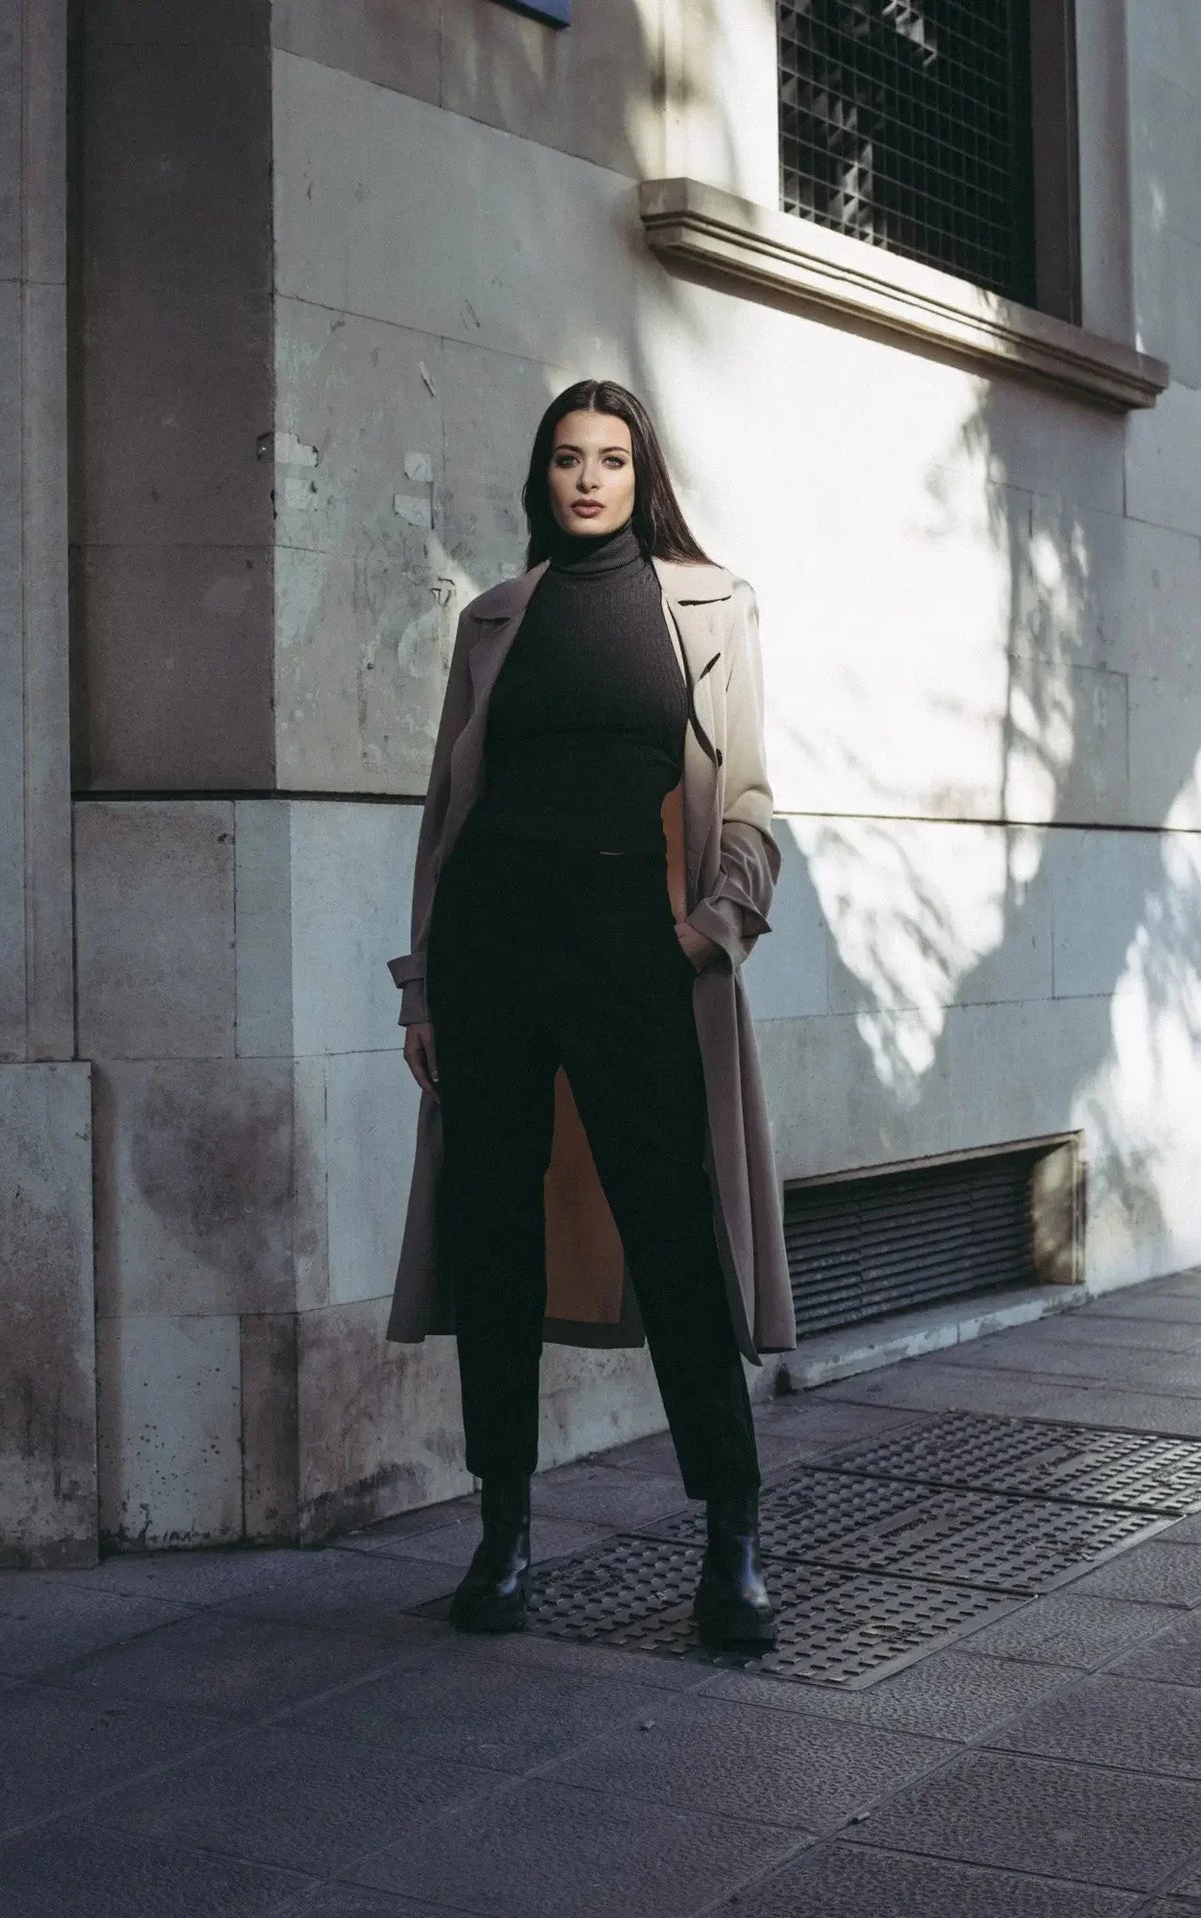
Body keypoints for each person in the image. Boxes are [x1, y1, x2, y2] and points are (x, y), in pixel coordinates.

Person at [386, 379, 796, 1647]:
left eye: (610, 459)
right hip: (493, 952)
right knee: (494, 1236)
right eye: (566, 458)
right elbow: (445, 812)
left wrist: (702, 933)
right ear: (540, 477)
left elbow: (750, 806)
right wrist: (424, 983)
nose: (585, 479)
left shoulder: (708, 605)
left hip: (635, 958)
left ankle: (731, 1538)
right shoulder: (495, 618)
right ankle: (503, 1533)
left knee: (677, 1239)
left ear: (640, 475)